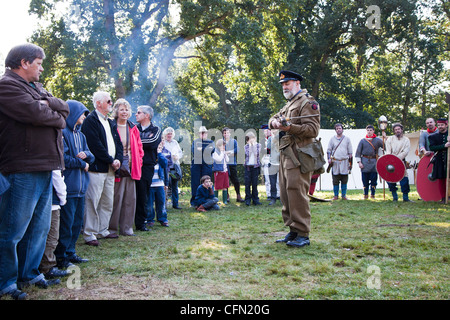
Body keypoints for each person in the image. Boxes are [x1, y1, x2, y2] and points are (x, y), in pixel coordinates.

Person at [0, 43, 69, 299]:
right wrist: (49, 109)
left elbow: (64, 112)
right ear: (24, 63)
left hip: (44, 167)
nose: (42, 68)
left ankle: (29, 273)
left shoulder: (37, 88)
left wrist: (47, 103)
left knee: (38, 228)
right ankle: (5, 282)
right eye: (38, 63)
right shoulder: (6, 86)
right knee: (12, 230)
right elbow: (36, 113)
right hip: (22, 167)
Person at [269, 70, 320, 248]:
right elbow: (273, 118)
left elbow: (313, 130)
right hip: (286, 153)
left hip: (300, 154)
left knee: (297, 192)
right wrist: (274, 123)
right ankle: (293, 230)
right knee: (286, 192)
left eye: (287, 83)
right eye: (283, 84)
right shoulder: (290, 103)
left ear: (297, 83)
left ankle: (303, 233)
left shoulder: (308, 102)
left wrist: (290, 128)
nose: (284, 87)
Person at [81, 91, 123, 246]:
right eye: (109, 101)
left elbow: (118, 143)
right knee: (93, 200)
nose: (111, 103)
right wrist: (110, 160)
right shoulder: (90, 120)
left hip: (111, 168)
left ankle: (102, 229)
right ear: (98, 103)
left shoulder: (110, 121)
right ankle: (90, 233)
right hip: (97, 168)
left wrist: (118, 159)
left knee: (107, 200)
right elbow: (94, 145)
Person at [55, 100, 94, 269]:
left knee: (77, 223)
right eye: (82, 113)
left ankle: (71, 252)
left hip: (81, 188)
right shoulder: (62, 133)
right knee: (66, 224)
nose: (84, 117)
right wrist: (82, 164)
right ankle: (61, 256)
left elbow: (91, 155)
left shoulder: (82, 135)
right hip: (69, 187)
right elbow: (63, 158)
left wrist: (86, 155)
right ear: (72, 113)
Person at [109, 99, 144, 237]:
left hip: (131, 167)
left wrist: (139, 161)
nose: (124, 112)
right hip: (116, 167)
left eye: (127, 109)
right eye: (122, 109)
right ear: (116, 111)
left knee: (130, 199)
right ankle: (112, 229)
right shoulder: (110, 125)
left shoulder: (133, 127)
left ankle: (127, 228)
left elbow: (139, 147)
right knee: (116, 198)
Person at [134, 105, 162, 231]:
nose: (136, 114)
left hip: (146, 166)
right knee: (130, 194)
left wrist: (136, 143)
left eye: (139, 112)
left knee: (143, 194)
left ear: (147, 115)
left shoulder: (156, 129)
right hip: (133, 164)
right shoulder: (133, 128)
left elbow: (152, 143)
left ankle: (140, 223)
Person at [39, 170, 67, 280]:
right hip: (52, 200)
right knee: (51, 237)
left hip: (49, 199)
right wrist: (63, 196)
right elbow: (56, 175)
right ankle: (47, 267)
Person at [383, 123, 412, 202]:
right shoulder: (390, 139)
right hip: (391, 162)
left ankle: (405, 198)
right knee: (391, 179)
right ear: (394, 131)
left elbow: (405, 151)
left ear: (401, 129)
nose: (397, 131)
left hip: (401, 161)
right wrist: (391, 159)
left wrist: (397, 158)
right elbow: (388, 150)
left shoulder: (406, 140)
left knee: (404, 179)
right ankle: (395, 197)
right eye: (395, 130)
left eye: (398, 129)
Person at [355, 125, 384, 199]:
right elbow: (358, 153)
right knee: (365, 180)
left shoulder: (377, 140)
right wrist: (359, 162)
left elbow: (385, 146)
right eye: (368, 130)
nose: (369, 131)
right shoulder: (362, 141)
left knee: (374, 180)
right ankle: (365, 194)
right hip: (364, 161)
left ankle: (373, 194)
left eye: (371, 130)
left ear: (373, 131)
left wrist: (384, 138)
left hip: (374, 162)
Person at [326, 123, 353, 200]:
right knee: (335, 179)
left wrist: (350, 164)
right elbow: (329, 150)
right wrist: (329, 158)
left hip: (344, 161)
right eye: (337, 128)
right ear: (335, 130)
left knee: (344, 179)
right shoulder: (332, 139)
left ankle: (343, 195)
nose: (338, 130)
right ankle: (336, 195)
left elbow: (350, 152)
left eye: (340, 128)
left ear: (342, 129)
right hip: (335, 162)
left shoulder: (347, 139)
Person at [190, 126, 215, 206]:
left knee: (207, 183)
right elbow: (194, 151)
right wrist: (205, 149)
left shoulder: (211, 142)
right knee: (195, 183)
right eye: (201, 133)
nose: (203, 134)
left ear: (207, 133)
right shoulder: (195, 142)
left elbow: (212, 150)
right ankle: (194, 201)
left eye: (204, 133)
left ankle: (208, 200)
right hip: (196, 165)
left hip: (206, 165)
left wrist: (201, 149)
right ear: (199, 134)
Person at [148, 141, 170, 227]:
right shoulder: (148, 155)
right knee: (149, 204)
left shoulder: (160, 156)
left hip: (160, 184)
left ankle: (162, 219)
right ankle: (150, 219)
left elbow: (165, 165)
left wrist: (159, 153)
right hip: (150, 184)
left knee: (161, 203)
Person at [428, 118, 449, 202]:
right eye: (439, 125)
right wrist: (444, 145)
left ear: (446, 125)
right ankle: (443, 197)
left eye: (442, 125)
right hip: (440, 160)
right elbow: (432, 147)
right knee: (441, 179)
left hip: (449, 159)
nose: (440, 127)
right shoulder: (433, 137)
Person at [162, 127, 183, 209]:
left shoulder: (175, 142)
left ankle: (175, 204)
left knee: (174, 185)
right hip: (166, 166)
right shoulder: (163, 142)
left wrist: (177, 156)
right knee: (166, 185)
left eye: (171, 134)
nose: (169, 135)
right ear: (165, 134)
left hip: (174, 166)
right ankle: (164, 204)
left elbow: (180, 153)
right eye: (168, 134)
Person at [222, 127, 244, 203]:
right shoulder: (221, 141)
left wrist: (228, 152)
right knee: (225, 180)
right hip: (224, 164)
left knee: (235, 180)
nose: (226, 134)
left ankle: (238, 195)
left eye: (227, 133)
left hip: (232, 163)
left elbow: (237, 150)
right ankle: (226, 196)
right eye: (225, 133)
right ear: (223, 134)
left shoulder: (233, 141)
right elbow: (219, 150)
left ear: (230, 133)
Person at [244, 131, 262, 206]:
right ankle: (247, 199)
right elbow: (248, 153)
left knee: (254, 184)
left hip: (255, 167)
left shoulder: (258, 145)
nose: (250, 140)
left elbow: (256, 153)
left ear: (255, 138)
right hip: (248, 167)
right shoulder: (246, 146)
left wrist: (253, 145)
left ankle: (255, 199)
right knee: (247, 184)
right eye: (248, 139)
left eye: (252, 138)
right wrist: (250, 145)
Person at [212, 139, 230, 204]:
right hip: (218, 171)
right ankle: (215, 200)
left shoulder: (223, 152)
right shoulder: (215, 152)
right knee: (217, 186)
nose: (223, 147)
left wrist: (225, 154)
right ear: (218, 146)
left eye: (224, 146)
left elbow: (227, 160)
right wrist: (223, 153)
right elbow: (219, 159)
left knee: (225, 186)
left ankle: (224, 200)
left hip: (225, 171)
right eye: (222, 146)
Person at [267, 130, 280, 205]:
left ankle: (282, 198)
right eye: (273, 129)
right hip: (272, 163)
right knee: (272, 183)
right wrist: (273, 137)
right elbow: (269, 147)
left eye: (276, 129)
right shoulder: (270, 138)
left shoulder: (282, 137)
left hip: (281, 163)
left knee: (282, 183)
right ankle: (273, 198)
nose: (274, 130)